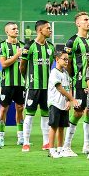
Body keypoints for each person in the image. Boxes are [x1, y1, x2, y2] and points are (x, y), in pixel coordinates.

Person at [63, 12, 89, 154]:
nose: (88, 22)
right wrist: (74, 78)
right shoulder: (72, 41)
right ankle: (66, 144)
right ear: (78, 23)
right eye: (85, 20)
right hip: (80, 83)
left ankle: (86, 145)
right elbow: (68, 63)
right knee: (78, 112)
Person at [20, 20, 56, 153]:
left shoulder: (51, 47)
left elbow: (50, 64)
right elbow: (22, 66)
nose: (50, 30)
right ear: (40, 30)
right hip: (33, 87)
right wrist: (28, 80)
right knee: (29, 114)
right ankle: (26, 142)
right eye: (48, 28)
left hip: (47, 88)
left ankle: (46, 142)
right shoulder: (29, 46)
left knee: (45, 115)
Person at [0, 22, 25, 147]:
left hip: (20, 83)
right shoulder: (2, 46)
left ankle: (20, 136)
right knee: (3, 109)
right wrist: (17, 55)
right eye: (13, 29)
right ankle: (1, 137)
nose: (16, 30)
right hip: (7, 83)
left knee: (20, 108)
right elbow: (3, 64)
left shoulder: (23, 46)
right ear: (7, 32)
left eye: (17, 28)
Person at [47, 51, 78, 158]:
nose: (66, 61)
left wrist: (69, 101)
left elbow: (69, 87)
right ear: (57, 59)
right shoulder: (54, 72)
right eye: (64, 59)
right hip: (55, 103)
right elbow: (59, 88)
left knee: (62, 127)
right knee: (54, 126)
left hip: (64, 104)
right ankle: (51, 149)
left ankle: (60, 149)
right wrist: (72, 99)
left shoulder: (65, 73)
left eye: (67, 59)